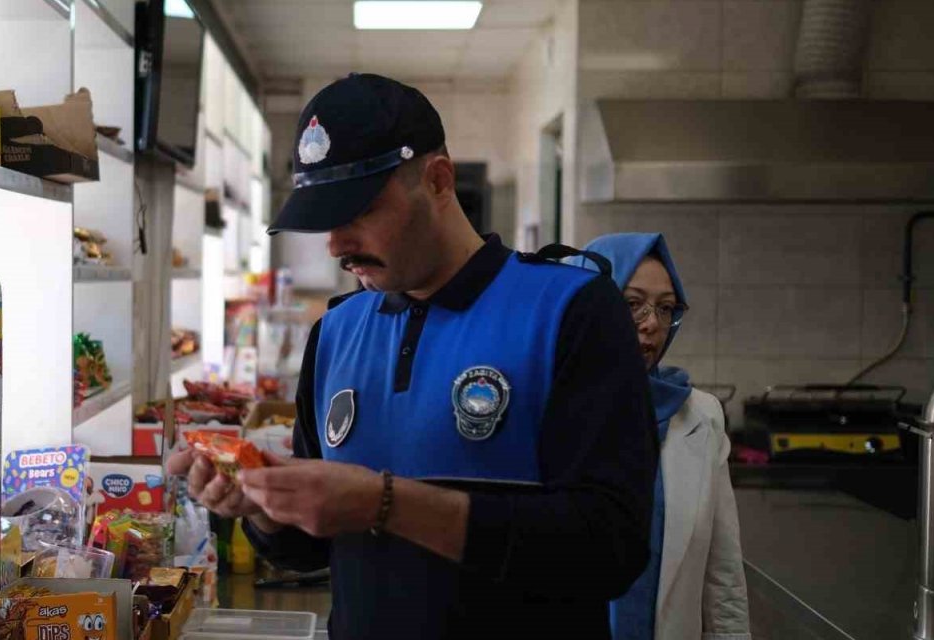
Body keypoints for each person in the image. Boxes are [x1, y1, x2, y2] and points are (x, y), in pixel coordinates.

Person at [167, 73, 658, 639]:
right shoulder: (336, 332)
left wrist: (385, 503)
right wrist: (254, 502)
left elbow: (611, 548)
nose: (335, 244)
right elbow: (307, 549)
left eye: (359, 211)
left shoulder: (570, 309)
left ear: (439, 180)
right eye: (325, 219)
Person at [572, 234, 751, 640]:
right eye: (632, 303)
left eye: (665, 308)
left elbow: (722, 578)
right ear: (587, 305)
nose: (652, 323)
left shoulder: (700, 416)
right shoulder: (545, 407)